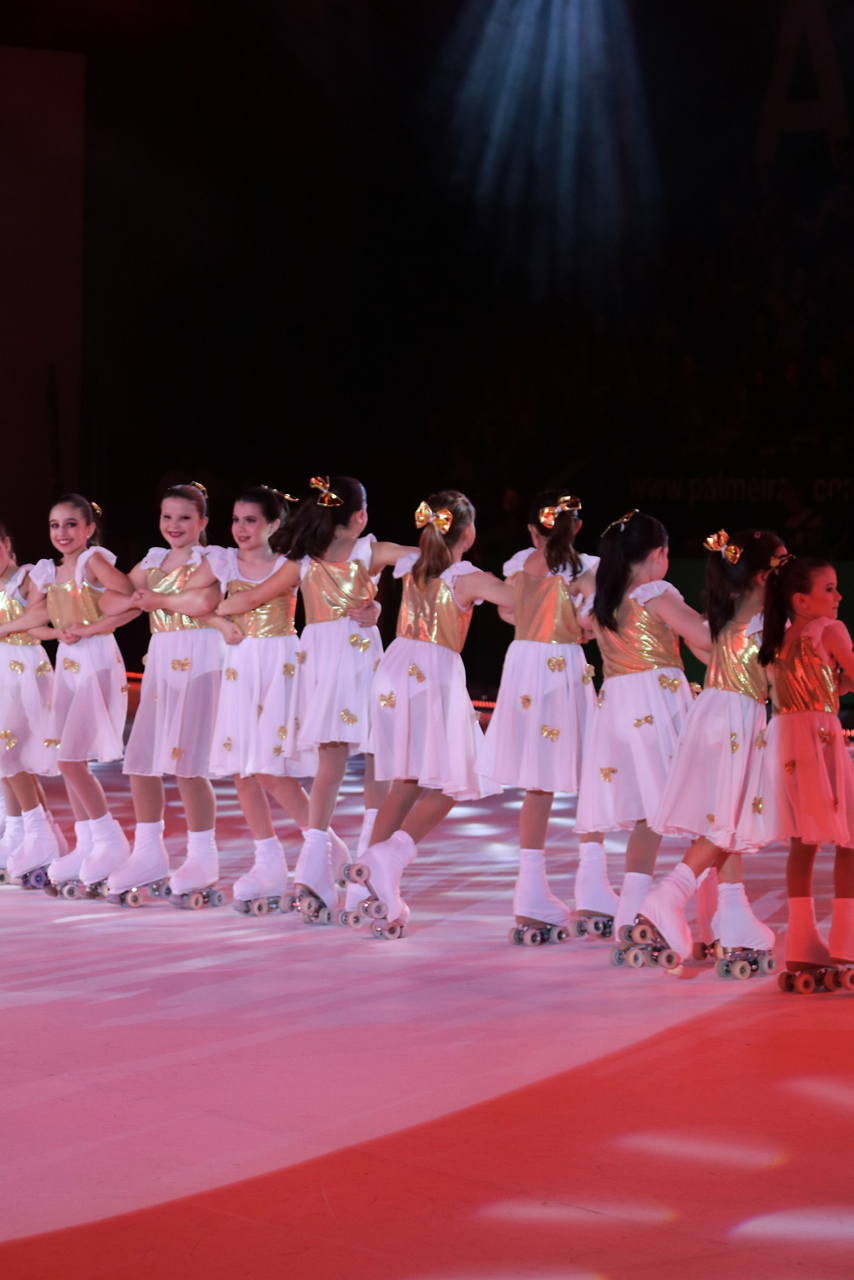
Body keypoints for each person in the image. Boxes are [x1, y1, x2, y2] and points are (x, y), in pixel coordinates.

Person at [217, 476, 415, 921]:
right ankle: (366, 862)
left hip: (322, 660)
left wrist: (205, 610)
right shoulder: (370, 552)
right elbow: (427, 562)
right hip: (358, 658)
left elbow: (249, 599)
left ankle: (314, 865)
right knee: (377, 758)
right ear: (360, 516)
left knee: (331, 761)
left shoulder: (304, 562)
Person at [344, 491, 513, 936]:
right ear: (468, 533)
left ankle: (364, 887)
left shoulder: (411, 563)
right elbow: (519, 601)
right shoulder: (466, 577)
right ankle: (388, 856)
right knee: (461, 775)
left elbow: (369, 554)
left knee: (405, 782)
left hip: (394, 669)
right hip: (431, 674)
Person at [629, 530, 783, 972]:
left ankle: (733, 912)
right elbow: (777, 684)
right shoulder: (769, 627)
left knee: (726, 817)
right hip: (735, 721)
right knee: (723, 821)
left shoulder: (725, 620)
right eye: (782, 563)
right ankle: (668, 896)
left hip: (714, 715)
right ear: (763, 576)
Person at [575, 510, 711, 942]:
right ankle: (714, 915)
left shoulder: (604, 600)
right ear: (658, 555)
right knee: (708, 808)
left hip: (617, 707)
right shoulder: (655, 593)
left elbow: (580, 622)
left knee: (647, 817)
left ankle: (629, 915)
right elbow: (703, 636)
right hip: (657, 705)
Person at [476, 491, 605, 943]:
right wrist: (575, 624)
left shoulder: (519, 564)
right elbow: (593, 620)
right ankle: (593, 884)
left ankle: (529, 890)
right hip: (562, 664)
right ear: (577, 526)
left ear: (533, 530)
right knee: (589, 772)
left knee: (538, 781)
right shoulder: (585, 567)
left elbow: (507, 611)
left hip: (525, 665)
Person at [99, 482, 226, 906]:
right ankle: (148, 851)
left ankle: (203, 856)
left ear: (203, 521)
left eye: (184, 517)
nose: (174, 525)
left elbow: (204, 601)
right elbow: (111, 602)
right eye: (167, 516)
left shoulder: (214, 558)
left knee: (189, 766)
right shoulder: (153, 560)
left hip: (201, 658)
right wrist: (136, 598)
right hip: (163, 659)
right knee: (141, 760)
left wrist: (153, 599)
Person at [1, 496, 134, 889]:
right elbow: (37, 618)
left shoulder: (93, 561)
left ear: (89, 528)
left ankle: (109, 839)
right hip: (68, 662)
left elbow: (130, 600)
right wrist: (55, 630)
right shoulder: (49, 570)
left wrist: (92, 627)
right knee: (68, 759)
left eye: (71, 524)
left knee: (70, 758)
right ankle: (88, 842)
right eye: (55, 525)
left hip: (96, 659)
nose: (62, 532)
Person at [758, 556, 854, 991]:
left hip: (787, 741)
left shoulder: (777, 639)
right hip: (820, 738)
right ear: (802, 600)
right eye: (829, 589)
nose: (838, 596)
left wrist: (838, 684)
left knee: (804, 842)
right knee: (849, 837)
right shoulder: (829, 630)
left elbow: (818, 685)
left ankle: (801, 942)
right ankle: (846, 939)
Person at [0, 522, 65, 883]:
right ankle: (24, 833)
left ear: (7, 543)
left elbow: (43, 613)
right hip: (1, 674)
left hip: (27, 672)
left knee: (9, 754)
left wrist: (5, 629)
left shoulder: (28, 577)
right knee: (9, 759)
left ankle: (38, 835)